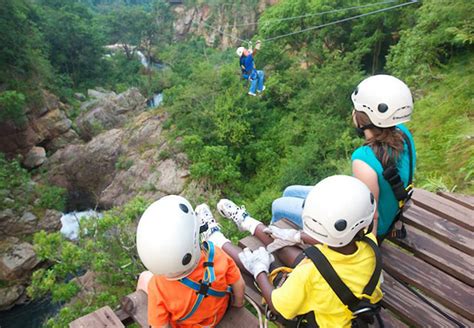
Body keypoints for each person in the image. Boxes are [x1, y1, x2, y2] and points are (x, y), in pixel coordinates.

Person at [200, 175, 383, 327]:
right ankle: (246, 222)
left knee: (255, 259)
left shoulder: (307, 274)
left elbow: (278, 305)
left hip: (322, 311)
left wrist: (260, 272)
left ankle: (214, 237)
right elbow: (338, 238)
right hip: (341, 288)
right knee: (282, 244)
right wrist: (296, 236)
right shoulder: (369, 244)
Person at [271, 74, 416, 241]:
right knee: (290, 191)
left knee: (278, 205)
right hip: (390, 208)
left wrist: (370, 250)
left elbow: (371, 216)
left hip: (365, 224)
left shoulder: (364, 160)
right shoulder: (403, 133)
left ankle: (274, 245)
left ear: (362, 117)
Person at [135, 195, 245, 328]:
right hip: (218, 314)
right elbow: (239, 284)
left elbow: (160, 326)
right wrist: (237, 304)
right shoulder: (216, 254)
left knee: (144, 277)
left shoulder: (158, 286)